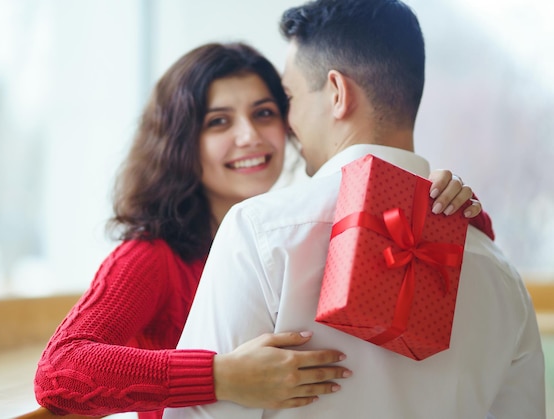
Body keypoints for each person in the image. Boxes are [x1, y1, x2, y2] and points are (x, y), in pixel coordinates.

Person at [34, 42, 492, 418]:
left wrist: (452, 209)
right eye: (219, 121)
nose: (249, 135)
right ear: (179, 142)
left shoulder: (299, 231)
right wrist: (221, 377)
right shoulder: (152, 256)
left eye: (264, 113)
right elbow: (59, 373)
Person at [163, 2, 545, 419]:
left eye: (288, 98)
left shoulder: (261, 231)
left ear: (338, 93)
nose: (288, 124)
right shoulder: (499, 273)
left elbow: (199, 415)